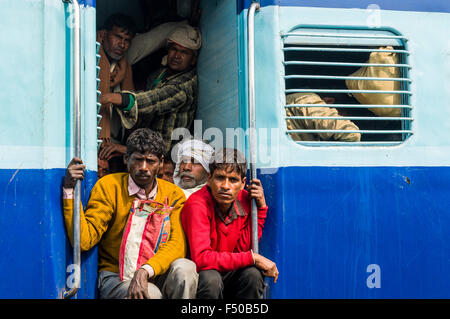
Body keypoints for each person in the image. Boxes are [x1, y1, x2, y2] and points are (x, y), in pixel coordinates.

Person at [62, 128, 197, 299]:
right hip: (116, 276)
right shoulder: (109, 186)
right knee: (151, 294)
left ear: (161, 162)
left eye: (150, 161)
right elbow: (84, 240)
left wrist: (145, 270)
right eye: (138, 160)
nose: (143, 168)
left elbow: (176, 244)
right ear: (126, 159)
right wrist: (69, 190)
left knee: (185, 269)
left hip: (155, 272)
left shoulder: (173, 194)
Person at [181, 148, 279, 299]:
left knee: (253, 275)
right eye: (220, 178)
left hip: (229, 272)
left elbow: (243, 249)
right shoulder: (197, 204)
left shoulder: (245, 199)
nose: (226, 186)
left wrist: (260, 209)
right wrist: (254, 258)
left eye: (233, 180)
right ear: (209, 179)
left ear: (242, 183)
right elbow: (201, 259)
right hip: (204, 274)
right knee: (211, 279)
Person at [100, 24, 202, 155]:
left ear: (193, 59)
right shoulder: (159, 75)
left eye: (184, 52)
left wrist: (110, 97)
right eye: (174, 49)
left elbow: (153, 100)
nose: (177, 56)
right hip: (143, 151)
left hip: (164, 160)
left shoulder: (185, 85)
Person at [96, 13, 136, 177]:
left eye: (127, 40)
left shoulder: (125, 68)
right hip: (94, 142)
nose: (122, 44)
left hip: (116, 147)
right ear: (104, 35)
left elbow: (134, 107)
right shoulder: (89, 58)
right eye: (118, 37)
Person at [285, 92, 361, 142]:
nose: (341, 118)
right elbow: (351, 134)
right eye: (341, 115)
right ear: (329, 101)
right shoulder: (309, 100)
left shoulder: (298, 101)